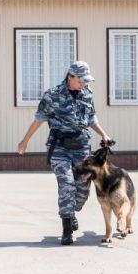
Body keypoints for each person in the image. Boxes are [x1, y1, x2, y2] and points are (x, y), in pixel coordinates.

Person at [17, 61, 113, 246]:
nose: (84, 84)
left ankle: (72, 211)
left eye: (86, 80)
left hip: (82, 146)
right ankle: (67, 228)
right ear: (71, 76)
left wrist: (104, 134)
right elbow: (39, 119)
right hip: (59, 147)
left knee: (83, 189)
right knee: (67, 183)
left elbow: (91, 118)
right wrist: (25, 140)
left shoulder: (88, 93)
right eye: (81, 80)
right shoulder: (52, 95)